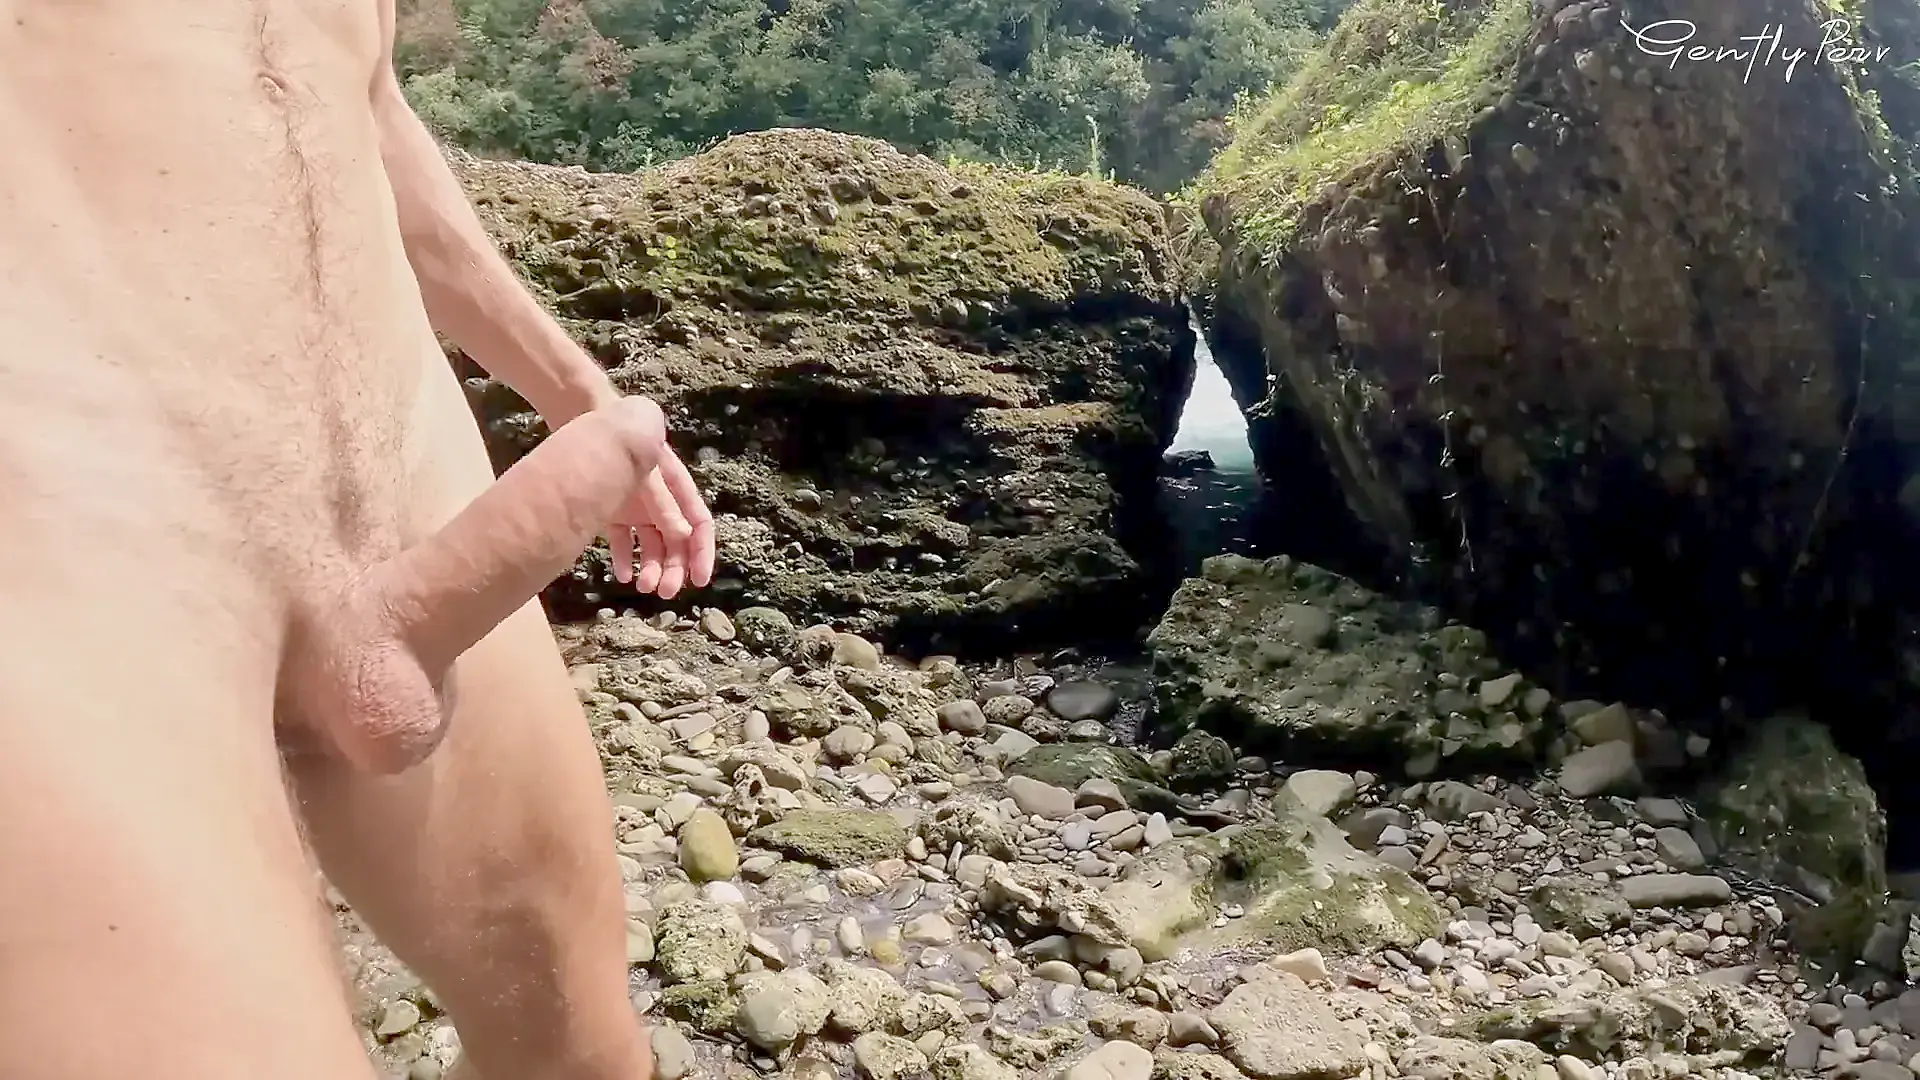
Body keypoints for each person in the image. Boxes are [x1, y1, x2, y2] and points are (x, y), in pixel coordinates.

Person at [0, 2, 712, 1078]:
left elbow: (356, 94)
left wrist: (574, 387)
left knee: (581, 1052)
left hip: (412, 488)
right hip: (91, 543)